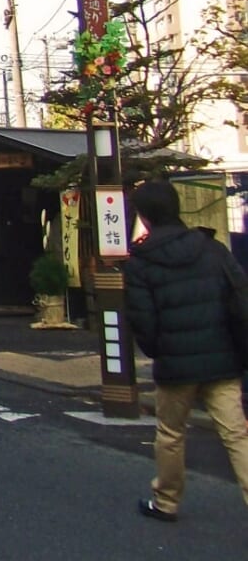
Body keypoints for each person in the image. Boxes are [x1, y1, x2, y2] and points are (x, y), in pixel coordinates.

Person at [124, 180, 248, 522]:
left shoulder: (140, 262)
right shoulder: (212, 248)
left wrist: (160, 351)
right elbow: (240, 301)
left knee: (171, 432)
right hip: (223, 358)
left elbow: (143, 322)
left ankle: (166, 501)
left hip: (175, 364)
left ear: (145, 217)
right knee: (236, 433)